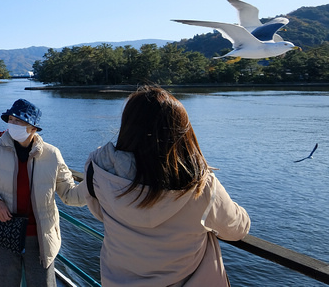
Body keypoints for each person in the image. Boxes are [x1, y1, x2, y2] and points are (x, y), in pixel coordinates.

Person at [82, 86, 250, 286]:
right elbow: (237, 229)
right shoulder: (199, 186)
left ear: (127, 125)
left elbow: (99, 211)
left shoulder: (99, 169)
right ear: (180, 131)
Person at [0, 99, 87, 286]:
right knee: (6, 283)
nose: (13, 124)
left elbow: (70, 195)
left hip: (39, 236)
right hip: (4, 230)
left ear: (33, 128)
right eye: (11, 119)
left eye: (19, 121)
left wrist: (94, 183)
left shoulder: (52, 155)